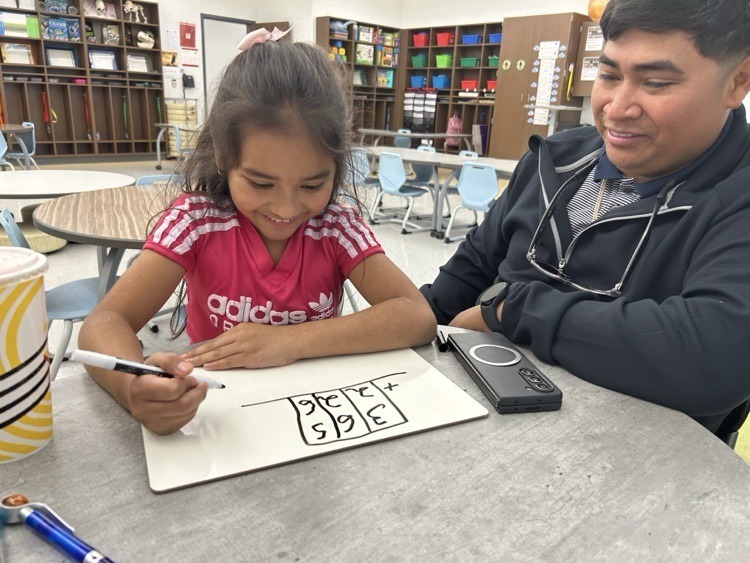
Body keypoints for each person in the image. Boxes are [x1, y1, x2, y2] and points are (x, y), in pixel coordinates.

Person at [421, 0, 750, 435]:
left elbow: (714, 355)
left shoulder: (736, 196)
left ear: (737, 82)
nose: (616, 109)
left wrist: (511, 309)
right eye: (609, 75)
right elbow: (467, 274)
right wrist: (400, 322)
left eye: (654, 83)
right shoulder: (554, 159)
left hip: (643, 466)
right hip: (479, 430)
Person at [78, 39, 436, 435]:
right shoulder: (196, 221)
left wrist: (290, 341)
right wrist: (134, 386)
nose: (285, 210)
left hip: (319, 416)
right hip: (222, 418)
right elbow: (105, 322)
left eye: (312, 185)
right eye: (260, 183)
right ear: (222, 157)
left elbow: (416, 316)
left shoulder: (335, 226)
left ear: (336, 169)